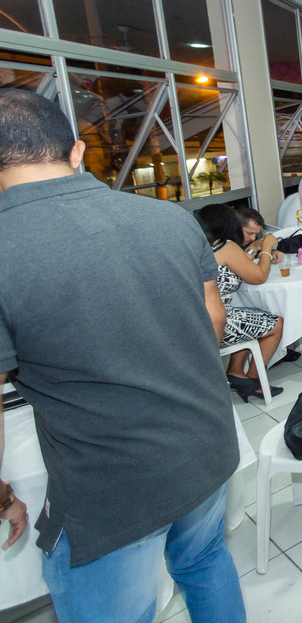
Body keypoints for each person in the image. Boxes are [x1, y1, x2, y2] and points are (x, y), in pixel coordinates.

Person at [0, 90, 245, 622]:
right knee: (205, 563)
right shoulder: (171, 219)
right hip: (204, 442)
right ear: (74, 152)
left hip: (112, 483)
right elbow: (214, 320)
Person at [197, 204, 285, 401]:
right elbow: (259, 276)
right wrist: (267, 249)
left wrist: (253, 249)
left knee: (248, 314)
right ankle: (252, 381)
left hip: (197, 320)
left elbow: (236, 265)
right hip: (217, 323)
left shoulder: (201, 246)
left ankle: (236, 372)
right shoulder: (227, 246)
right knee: (276, 323)